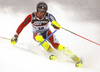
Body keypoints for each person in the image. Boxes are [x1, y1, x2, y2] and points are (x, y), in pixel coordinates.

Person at [11, 2, 82, 67]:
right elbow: (22, 25)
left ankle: (75, 58)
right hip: (36, 34)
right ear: (37, 9)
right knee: (39, 37)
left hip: (47, 33)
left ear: (45, 11)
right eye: (39, 10)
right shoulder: (31, 16)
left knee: (56, 45)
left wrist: (56, 25)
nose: (41, 13)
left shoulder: (49, 16)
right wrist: (15, 36)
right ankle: (51, 52)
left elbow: (56, 24)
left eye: (43, 11)